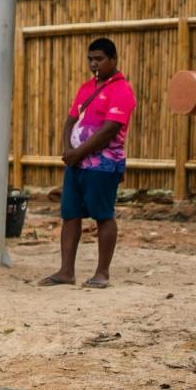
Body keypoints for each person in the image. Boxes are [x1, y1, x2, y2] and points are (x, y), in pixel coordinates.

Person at [40, 37, 136, 289]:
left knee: (103, 215)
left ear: (113, 59)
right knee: (70, 215)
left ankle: (102, 273)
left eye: (99, 59)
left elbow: (110, 129)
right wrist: (68, 149)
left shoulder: (122, 90)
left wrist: (78, 152)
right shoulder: (86, 88)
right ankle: (66, 271)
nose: (94, 64)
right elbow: (70, 120)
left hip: (103, 165)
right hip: (77, 163)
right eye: (90, 59)